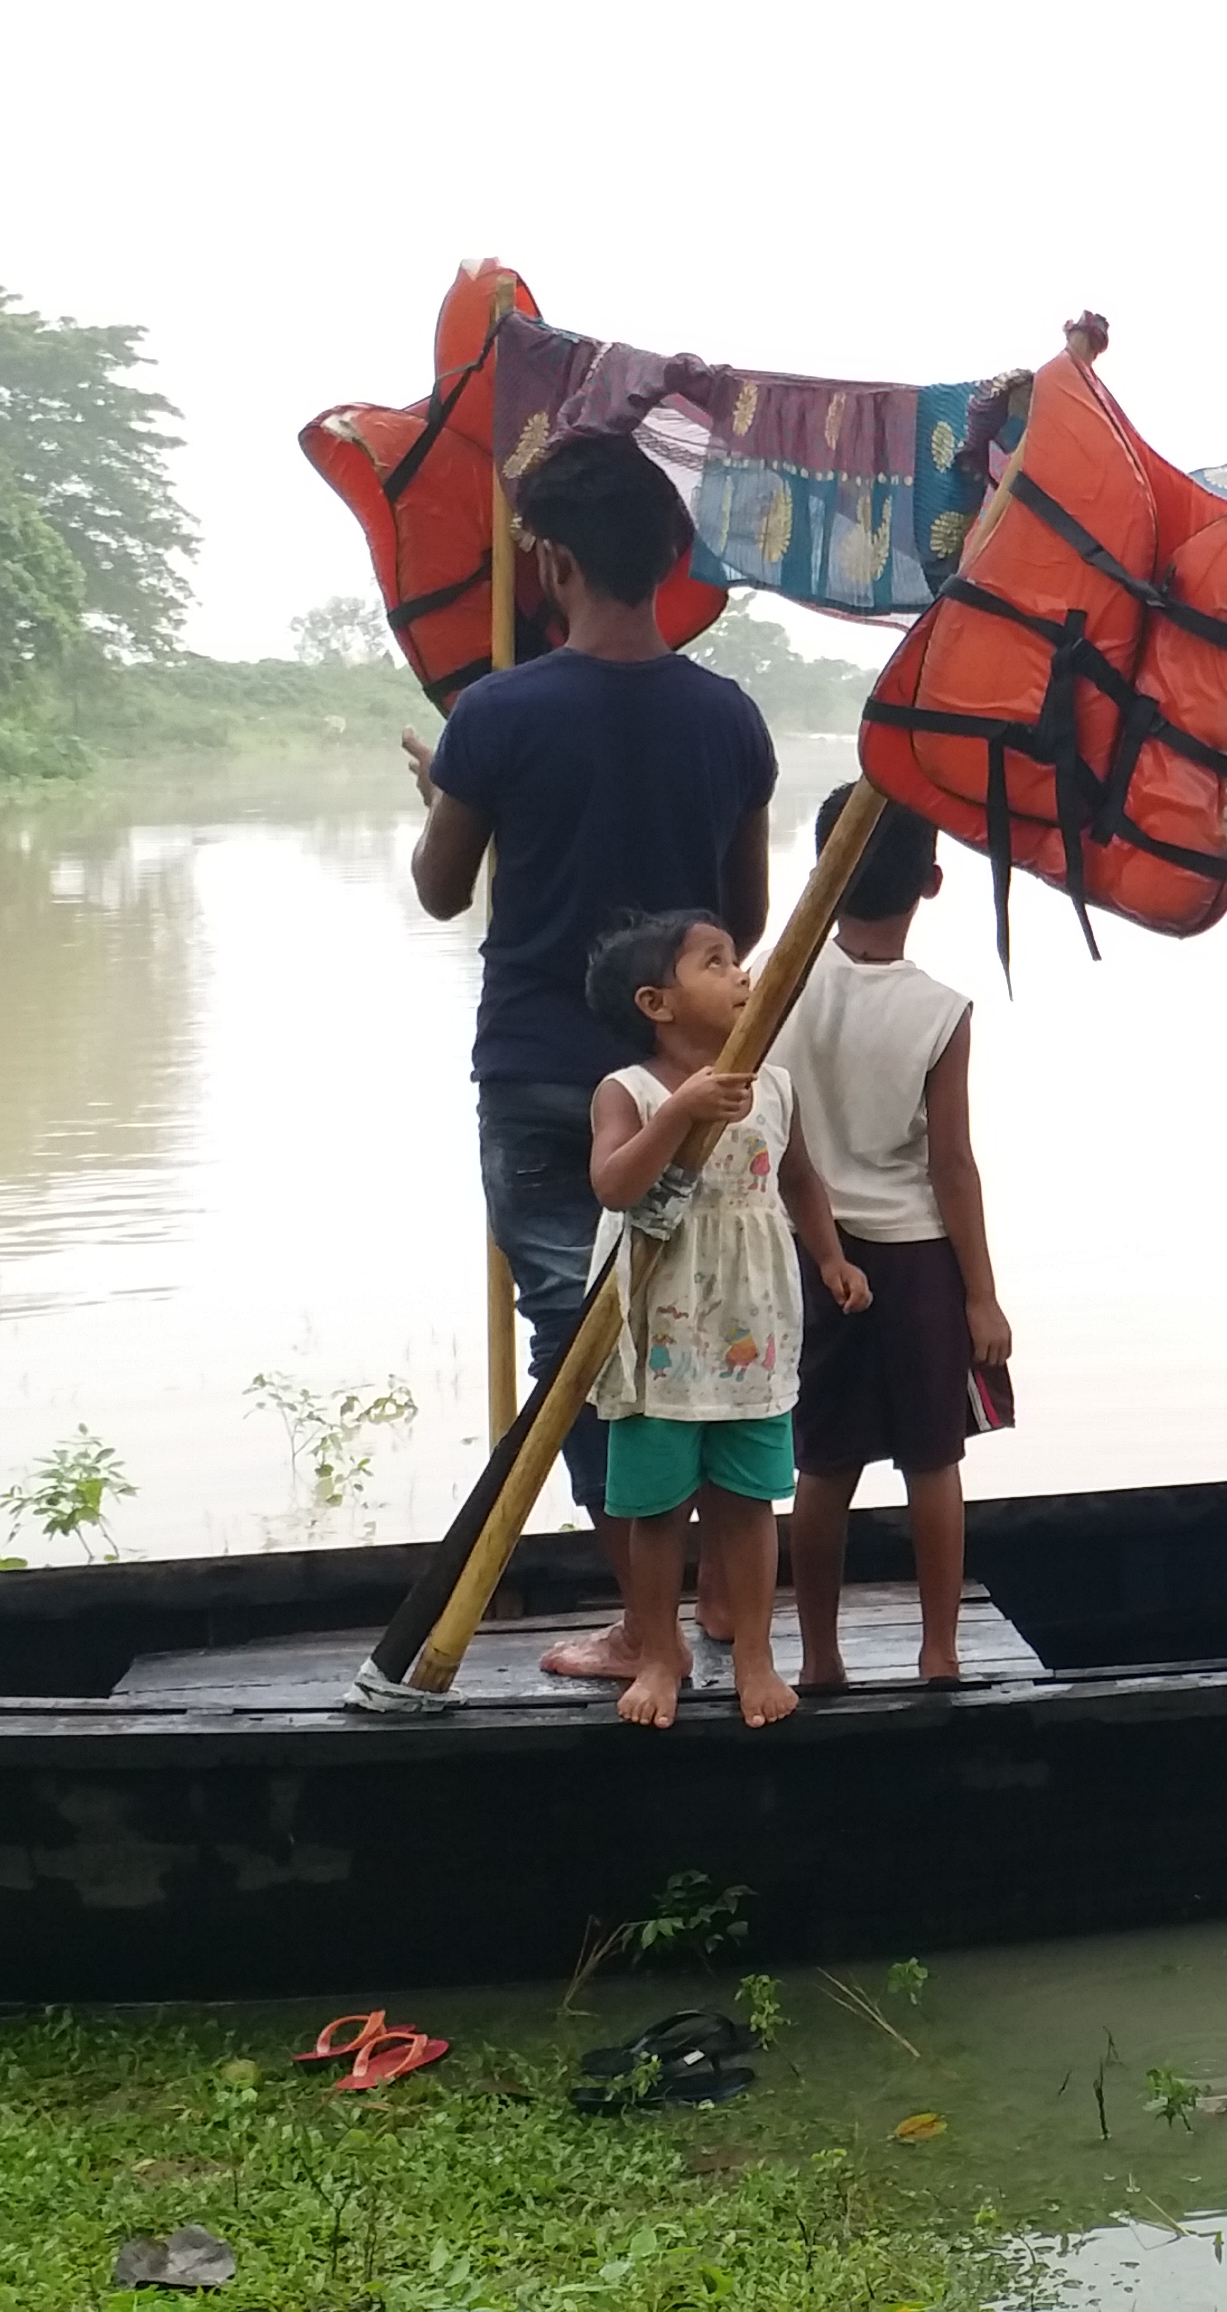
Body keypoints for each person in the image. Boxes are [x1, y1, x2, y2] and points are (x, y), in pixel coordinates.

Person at [402, 431, 775, 1682]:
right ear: (670, 562)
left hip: (542, 1077)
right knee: (691, 1328)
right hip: (677, 1085)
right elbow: (748, 920)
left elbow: (443, 891)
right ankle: (722, 1605)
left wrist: (453, 792)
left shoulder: (496, 716)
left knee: (585, 1354)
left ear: (549, 561)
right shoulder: (730, 717)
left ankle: (642, 1627)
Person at [578, 909, 866, 1728]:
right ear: (656, 1004)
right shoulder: (627, 1092)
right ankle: (661, 1654)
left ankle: (755, 1657)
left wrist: (832, 1258)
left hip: (749, 1326)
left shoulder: (771, 1083)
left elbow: (800, 1179)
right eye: (715, 963)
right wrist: (680, 1114)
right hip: (660, 1334)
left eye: (737, 960)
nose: (742, 975)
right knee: (659, 1509)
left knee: (746, 1500)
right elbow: (615, 1186)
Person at [783, 784, 1017, 1689]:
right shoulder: (941, 1009)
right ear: (932, 880)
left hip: (815, 1252)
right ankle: (940, 1652)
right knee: (933, 1459)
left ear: (822, 878)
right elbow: (952, 1165)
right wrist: (983, 1294)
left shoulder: (776, 990)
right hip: (917, 1255)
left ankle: (820, 1658)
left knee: (823, 1462)